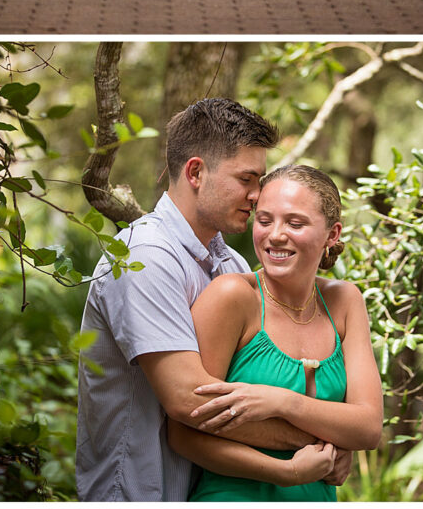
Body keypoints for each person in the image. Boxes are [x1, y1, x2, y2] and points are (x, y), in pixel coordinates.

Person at [75, 97, 351, 502]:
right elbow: (192, 401)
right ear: (196, 172)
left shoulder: (229, 262)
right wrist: (323, 442)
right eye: (247, 179)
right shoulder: (145, 256)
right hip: (138, 491)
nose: (258, 195)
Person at [169, 162, 384, 498]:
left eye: (295, 223)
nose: (275, 234)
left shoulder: (344, 301)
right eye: (265, 220)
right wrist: (289, 471)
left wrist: (282, 402)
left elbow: (369, 428)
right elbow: (184, 432)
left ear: (333, 234)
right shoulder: (233, 296)